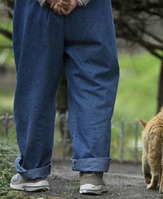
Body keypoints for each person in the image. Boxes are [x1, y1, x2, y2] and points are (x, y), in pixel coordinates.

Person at [9, 0, 119, 195]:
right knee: (93, 80)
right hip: (92, 9)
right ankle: (91, 171)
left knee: (35, 81)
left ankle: (33, 173)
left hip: (36, 9)